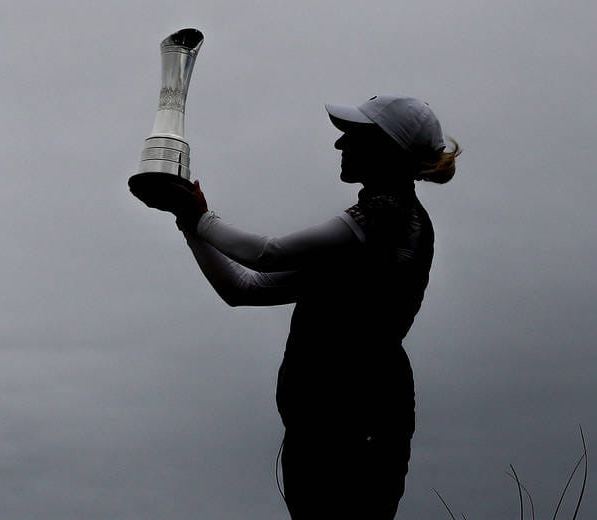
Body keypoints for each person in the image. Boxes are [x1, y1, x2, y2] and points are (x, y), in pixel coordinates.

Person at [131, 95, 459, 519]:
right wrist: (187, 219)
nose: (340, 145)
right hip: (336, 416)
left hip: (349, 416)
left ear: (387, 149)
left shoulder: (386, 214)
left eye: (353, 136)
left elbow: (266, 255)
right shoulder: (372, 232)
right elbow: (243, 288)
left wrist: (198, 218)